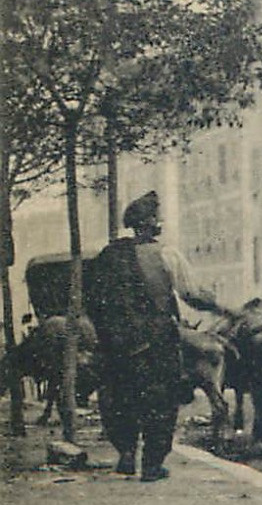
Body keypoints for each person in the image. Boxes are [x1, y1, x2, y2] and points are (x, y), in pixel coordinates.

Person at [85, 191, 224, 482]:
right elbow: (192, 295)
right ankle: (151, 464)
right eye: (157, 218)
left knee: (120, 396)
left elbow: (93, 298)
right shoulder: (166, 254)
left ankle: (125, 453)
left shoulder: (108, 254)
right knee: (160, 400)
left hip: (117, 343)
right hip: (157, 340)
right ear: (150, 224)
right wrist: (219, 305)